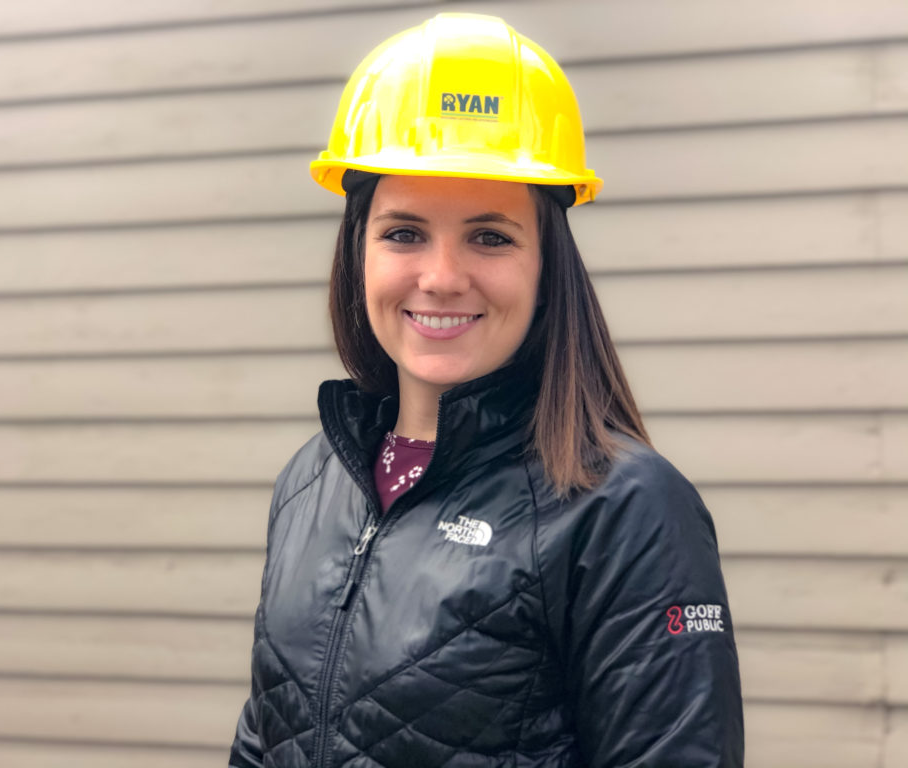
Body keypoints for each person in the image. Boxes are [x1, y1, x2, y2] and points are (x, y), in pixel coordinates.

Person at [231, 12, 743, 768]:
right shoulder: (312, 482)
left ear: (547, 266)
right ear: (357, 251)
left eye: (490, 236)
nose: (441, 277)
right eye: (403, 233)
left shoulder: (625, 508)